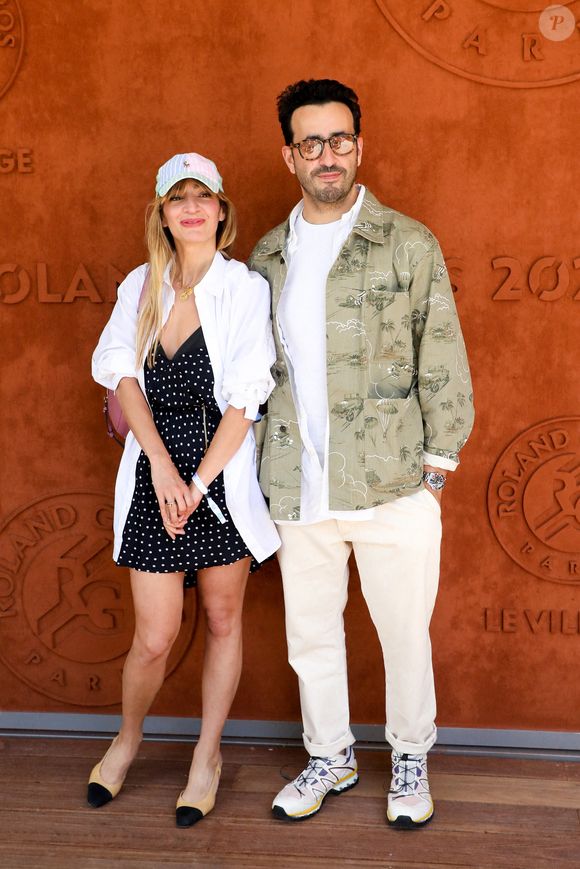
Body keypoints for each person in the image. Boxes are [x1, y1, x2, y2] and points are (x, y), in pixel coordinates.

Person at [248, 79, 474, 828]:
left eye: (339, 139)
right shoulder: (268, 255)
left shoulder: (406, 241)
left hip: (392, 481)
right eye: (310, 142)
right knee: (310, 633)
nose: (327, 155)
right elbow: (255, 371)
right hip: (298, 482)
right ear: (289, 155)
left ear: (359, 146)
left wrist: (436, 466)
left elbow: (439, 349)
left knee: (404, 631)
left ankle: (410, 757)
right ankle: (331, 755)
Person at [90, 152, 280, 827]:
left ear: (222, 209)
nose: (192, 207)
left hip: (219, 474)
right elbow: (118, 371)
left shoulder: (243, 287)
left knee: (224, 619)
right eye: (179, 198)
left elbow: (246, 397)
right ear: (163, 213)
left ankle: (207, 755)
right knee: (154, 636)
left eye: (204, 196)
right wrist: (165, 470)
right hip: (155, 471)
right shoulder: (142, 284)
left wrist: (197, 480)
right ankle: (128, 737)